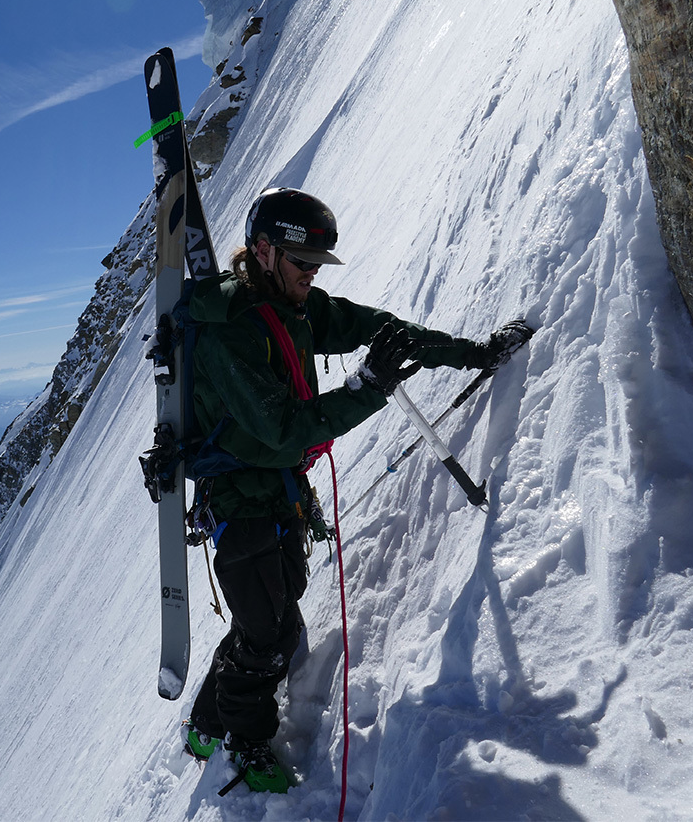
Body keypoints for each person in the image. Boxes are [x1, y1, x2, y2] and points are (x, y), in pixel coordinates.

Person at [181, 187, 530, 792]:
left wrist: (473, 353)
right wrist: (367, 388)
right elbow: (284, 429)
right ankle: (243, 743)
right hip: (239, 498)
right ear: (263, 251)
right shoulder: (230, 332)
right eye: (302, 262)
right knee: (267, 633)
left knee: (277, 615)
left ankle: (207, 724)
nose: (312, 274)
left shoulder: (293, 306)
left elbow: (379, 328)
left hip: (279, 490)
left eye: (317, 264)